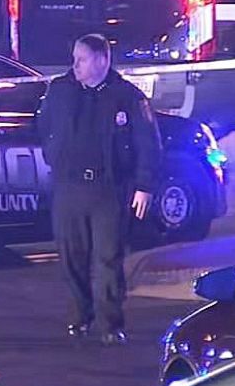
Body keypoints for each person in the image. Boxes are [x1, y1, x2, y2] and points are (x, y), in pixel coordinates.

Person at [38, 33, 162, 346]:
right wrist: (54, 154)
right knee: (71, 257)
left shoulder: (127, 97)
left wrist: (144, 186)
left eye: (81, 59)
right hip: (69, 186)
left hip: (109, 189)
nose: (75, 65)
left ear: (101, 60)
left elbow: (147, 143)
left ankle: (110, 323)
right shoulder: (61, 91)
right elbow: (45, 127)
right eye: (74, 58)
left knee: (108, 258)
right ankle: (80, 316)